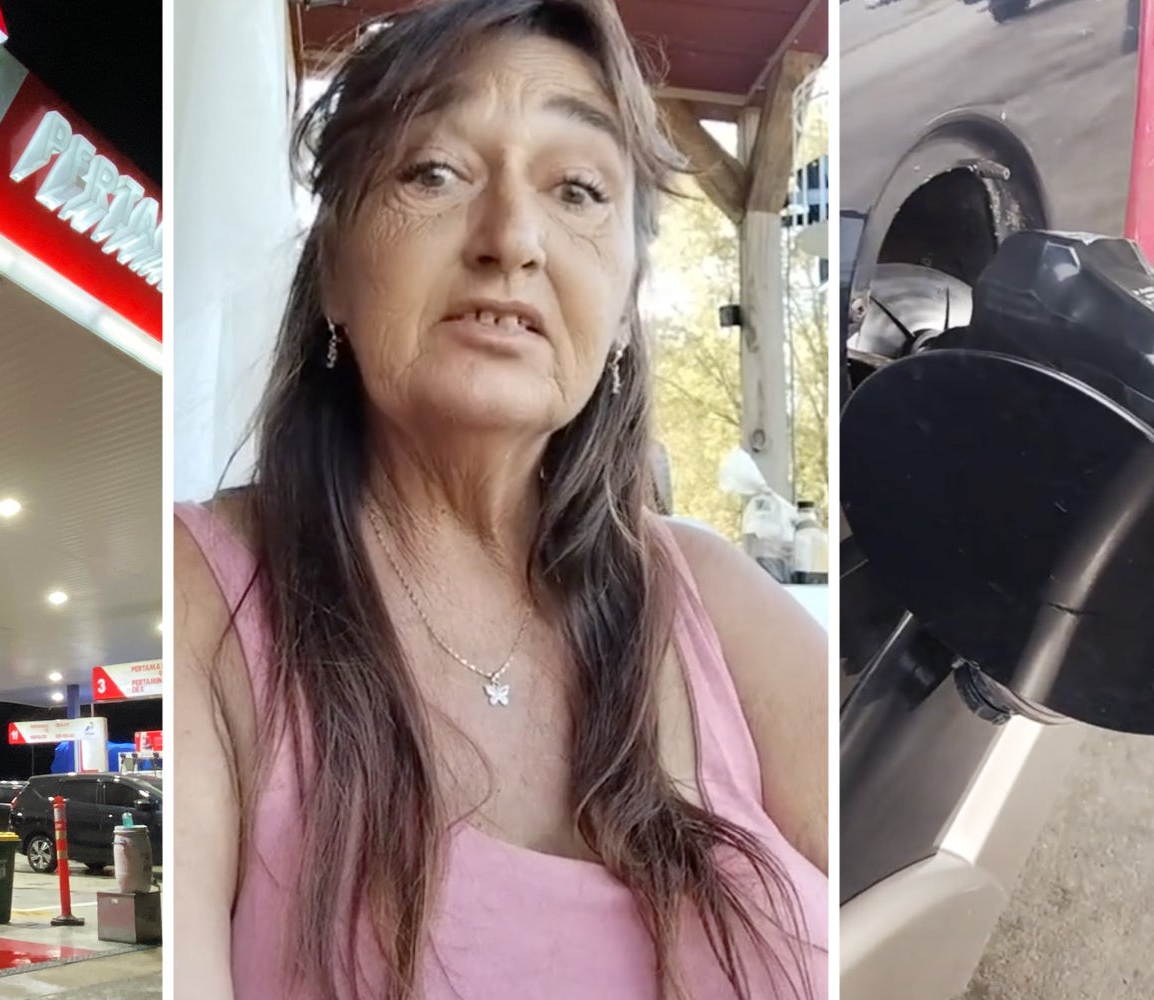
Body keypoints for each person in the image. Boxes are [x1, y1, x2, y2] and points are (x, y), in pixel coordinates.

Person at [173, 1, 828, 996]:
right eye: (433, 171)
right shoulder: (202, 604)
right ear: (334, 270)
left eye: (577, 189)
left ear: (623, 305)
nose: (513, 239)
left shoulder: (712, 596)